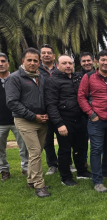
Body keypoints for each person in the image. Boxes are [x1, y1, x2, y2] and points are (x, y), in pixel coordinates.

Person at [5, 48, 50, 198]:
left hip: (42, 120)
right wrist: (33, 116)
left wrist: (45, 115)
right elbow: (12, 102)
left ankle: (31, 180)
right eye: (29, 60)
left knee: (36, 153)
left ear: (39, 62)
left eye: (35, 60)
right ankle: (39, 185)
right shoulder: (15, 78)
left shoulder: (40, 77)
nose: (32, 63)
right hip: (25, 120)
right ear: (23, 61)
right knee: (35, 152)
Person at [44, 55, 92, 186]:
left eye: (70, 63)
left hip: (79, 118)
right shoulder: (52, 81)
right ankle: (65, 177)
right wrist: (59, 124)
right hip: (64, 120)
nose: (68, 66)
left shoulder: (77, 78)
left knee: (80, 147)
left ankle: (81, 171)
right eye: (64, 63)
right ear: (57, 65)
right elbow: (51, 105)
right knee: (65, 150)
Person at [78, 50, 107, 193]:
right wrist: (91, 114)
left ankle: (106, 172)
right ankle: (97, 181)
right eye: (103, 60)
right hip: (96, 120)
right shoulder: (89, 77)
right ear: (97, 61)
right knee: (96, 150)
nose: (106, 62)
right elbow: (81, 97)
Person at [0, 52, 29, 180]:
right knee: (0, 150)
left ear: (8, 63)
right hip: (0, 122)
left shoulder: (17, 78)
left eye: (3, 61)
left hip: (18, 119)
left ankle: (26, 168)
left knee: (24, 147)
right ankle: (4, 170)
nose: (0, 64)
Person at [38, 44, 61, 175]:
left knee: (64, 139)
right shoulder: (37, 70)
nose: (46, 55)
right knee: (48, 141)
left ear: (54, 56)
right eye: (43, 53)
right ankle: (52, 165)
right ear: (40, 56)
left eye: (49, 53)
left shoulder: (61, 69)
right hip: (44, 111)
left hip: (60, 111)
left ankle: (67, 163)